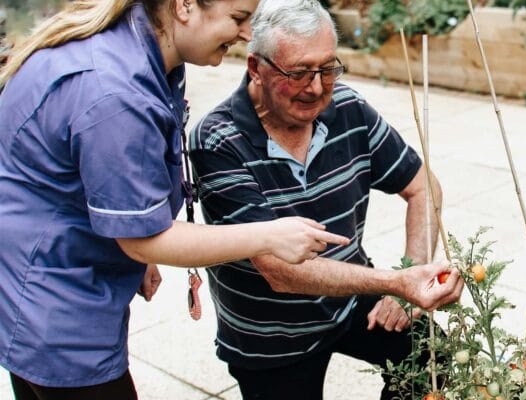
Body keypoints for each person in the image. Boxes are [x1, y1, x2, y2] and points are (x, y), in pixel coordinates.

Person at [0, 1, 352, 399]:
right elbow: (143, 238)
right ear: (184, 6)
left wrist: (138, 222)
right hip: (54, 305)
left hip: (35, 283)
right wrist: (268, 236)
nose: (247, 34)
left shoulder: (146, 50)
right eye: (238, 18)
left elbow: (107, 171)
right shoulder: (113, 92)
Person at [188, 0, 463, 398]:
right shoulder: (218, 140)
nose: (317, 87)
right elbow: (280, 272)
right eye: (298, 72)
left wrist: (412, 270)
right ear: (255, 68)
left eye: (328, 68)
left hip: (349, 298)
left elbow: (423, 188)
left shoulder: (347, 107)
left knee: (429, 357)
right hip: (270, 336)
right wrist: (396, 283)